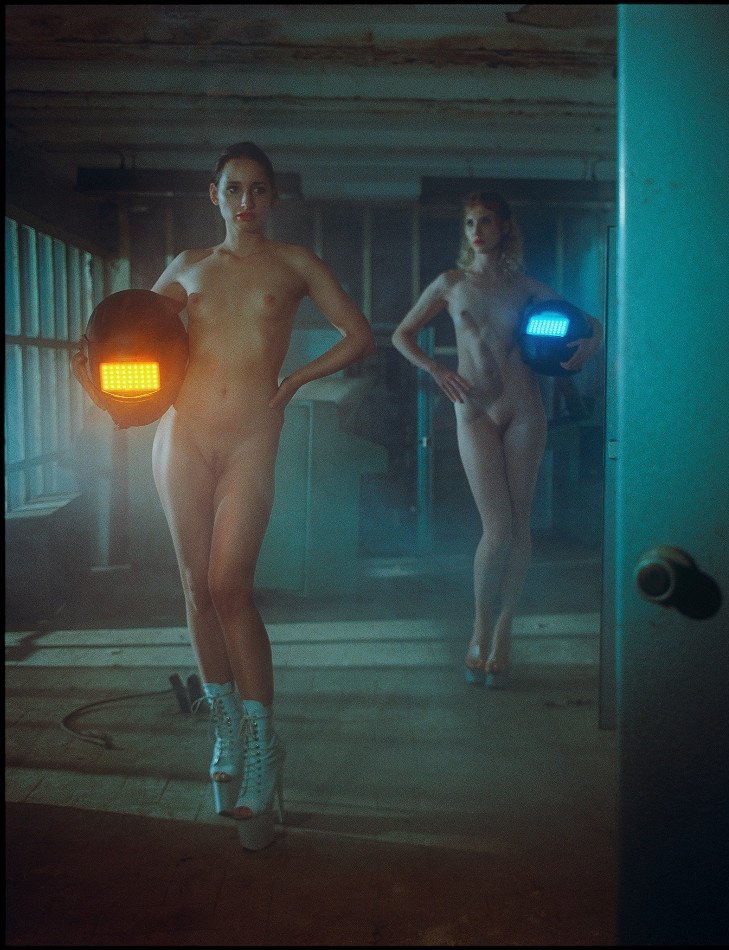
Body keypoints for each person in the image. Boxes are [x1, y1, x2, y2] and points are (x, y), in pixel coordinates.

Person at [71, 141, 375, 849]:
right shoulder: (186, 267)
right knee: (193, 585)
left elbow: (358, 335)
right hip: (183, 436)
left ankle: (266, 746)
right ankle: (227, 734)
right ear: (214, 194)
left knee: (230, 585)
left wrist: (294, 380)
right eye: (234, 189)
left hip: (250, 440)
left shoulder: (295, 264)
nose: (247, 203)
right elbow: (132, 335)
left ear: (273, 197)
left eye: (259, 190)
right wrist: (94, 369)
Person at [392, 192, 602, 688]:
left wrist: (585, 349)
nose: (477, 231)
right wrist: (437, 369)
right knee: (498, 526)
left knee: (519, 522)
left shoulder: (527, 289)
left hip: (523, 407)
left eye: (485, 221)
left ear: (505, 227)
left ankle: (504, 630)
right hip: (474, 409)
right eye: (469, 223)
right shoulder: (451, 283)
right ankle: (479, 628)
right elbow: (402, 335)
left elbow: (592, 324)